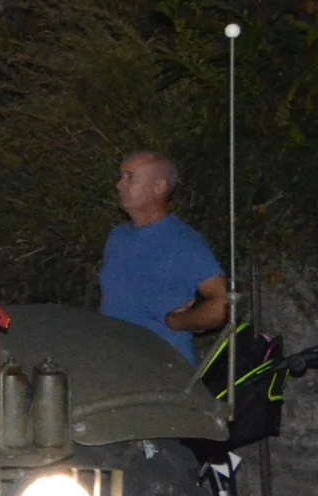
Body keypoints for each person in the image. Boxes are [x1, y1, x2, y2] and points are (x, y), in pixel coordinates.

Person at [96, 151, 227, 363]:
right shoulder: (117, 236)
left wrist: (180, 321)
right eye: (120, 177)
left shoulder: (183, 241)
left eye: (130, 177)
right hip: (115, 363)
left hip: (162, 368)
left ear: (159, 186)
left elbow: (223, 303)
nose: (119, 185)